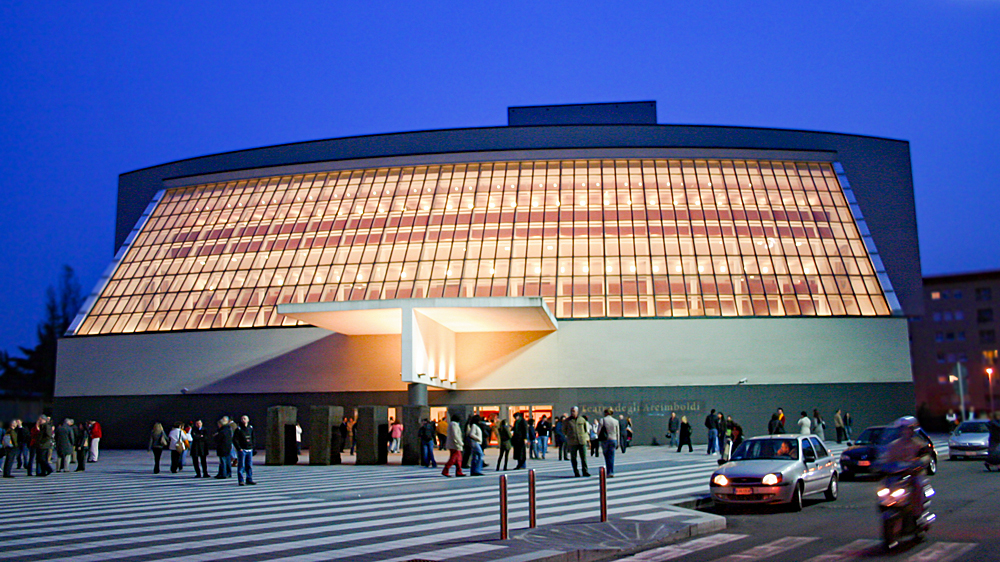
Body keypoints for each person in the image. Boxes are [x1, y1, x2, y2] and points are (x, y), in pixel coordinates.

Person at [564, 406, 590, 477]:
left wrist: (586, 439)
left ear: (577, 412)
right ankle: (576, 472)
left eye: (574, 411)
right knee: (573, 458)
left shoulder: (582, 420)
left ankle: (585, 471)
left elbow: (585, 429)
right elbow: (564, 431)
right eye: (572, 411)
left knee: (583, 457)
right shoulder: (567, 421)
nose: (572, 412)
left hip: (581, 441)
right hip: (572, 441)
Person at [233, 415, 256, 485]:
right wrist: (239, 448)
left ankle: (249, 479)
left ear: (248, 420)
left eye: (245, 418)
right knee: (241, 466)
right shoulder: (239, 429)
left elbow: (253, 438)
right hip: (242, 450)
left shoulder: (250, 428)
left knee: (249, 465)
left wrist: (252, 446)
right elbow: (235, 440)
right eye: (242, 418)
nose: (243, 420)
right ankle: (241, 480)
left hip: (249, 450)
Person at [442, 413, 465, 477]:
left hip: (453, 444)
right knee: (454, 458)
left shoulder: (452, 424)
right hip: (455, 444)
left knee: (458, 459)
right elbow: (455, 435)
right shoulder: (454, 424)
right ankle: (446, 470)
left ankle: (459, 471)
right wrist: (460, 443)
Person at [599, 408, 620, 476]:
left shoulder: (603, 420)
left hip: (605, 440)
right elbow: (618, 433)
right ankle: (611, 471)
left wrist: (598, 436)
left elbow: (598, 430)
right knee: (612, 456)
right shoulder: (616, 421)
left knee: (606, 456)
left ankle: (608, 471)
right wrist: (618, 442)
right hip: (613, 439)